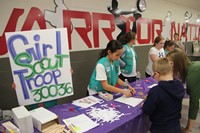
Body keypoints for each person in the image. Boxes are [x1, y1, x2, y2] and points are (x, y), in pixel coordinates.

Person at [142, 58, 185, 133]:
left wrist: (147, 100)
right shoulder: (180, 85)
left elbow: (147, 110)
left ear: (157, 74)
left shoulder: (156, 91)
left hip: (160, 128)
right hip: (176, 126)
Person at [166, 48, 200, 133]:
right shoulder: (191, 67)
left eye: (170, 64)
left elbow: (194, 103)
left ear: (177, 63)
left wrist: (188, 128)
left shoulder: (193, 74)